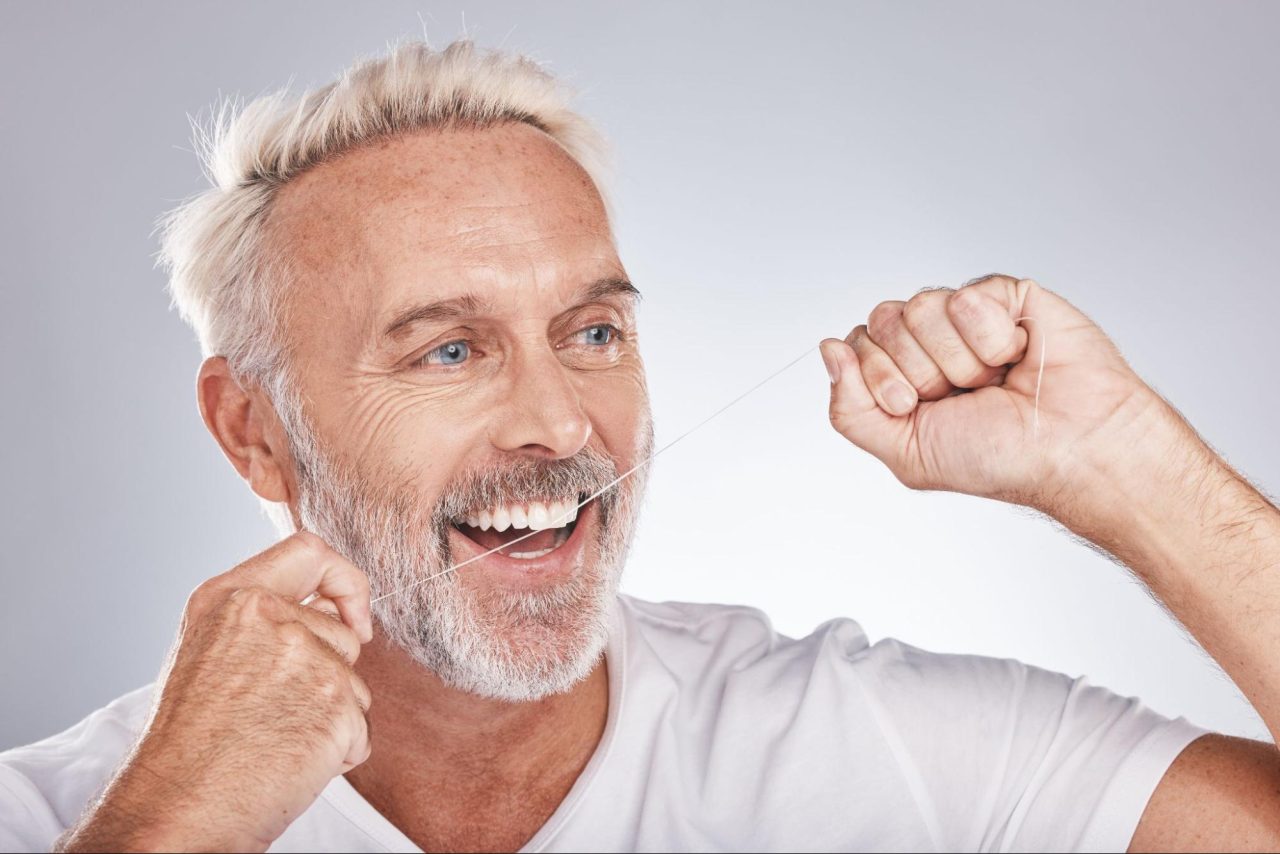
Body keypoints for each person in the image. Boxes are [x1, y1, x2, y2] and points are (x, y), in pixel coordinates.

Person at [2, 39, 1277, 853]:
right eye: (447, 348)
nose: (560, 422)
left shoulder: (859, 749)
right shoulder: (69, 814)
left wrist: (1123, 470)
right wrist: (175, 831)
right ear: (253, 430)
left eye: (592, 329)